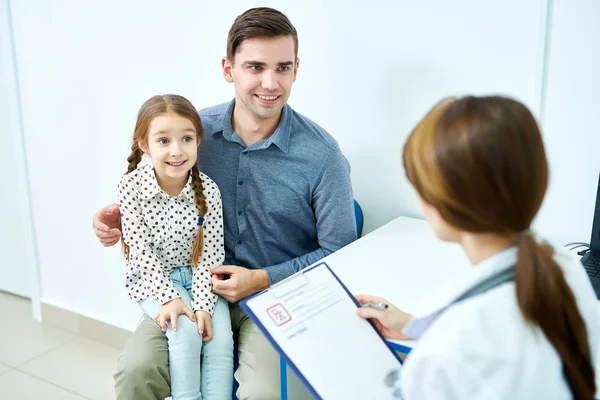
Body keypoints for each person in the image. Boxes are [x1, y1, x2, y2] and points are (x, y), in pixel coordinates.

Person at [93, 7, 357, 400]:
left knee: (266, 393)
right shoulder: (193, 134)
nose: (271, 82)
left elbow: (341, 254)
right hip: (187, 285)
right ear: (228, 68)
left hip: (273, 298)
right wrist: (114, 218)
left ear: (297, 69)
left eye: (283, 67)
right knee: (136, 372)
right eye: (255, 66)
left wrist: (263, 278)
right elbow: (152, 187)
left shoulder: (322, 156)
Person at [356, 95, 599, 399]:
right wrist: (415, 325)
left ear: (446, 201)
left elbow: (469, 352)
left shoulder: (447, 351)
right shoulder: (565, 267)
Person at [117, 94, 232, 400]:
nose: (177, 151)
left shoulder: (208, 189)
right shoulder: (131, 187)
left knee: (220, 340)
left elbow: (210, 256)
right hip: (155, 282)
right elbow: (139, 252)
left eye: (186, 139)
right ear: (145, 145)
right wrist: (168, 298)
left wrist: (205, 305)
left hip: (200, 280)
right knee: (184, 336)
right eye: (164, 141)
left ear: (197, 141)